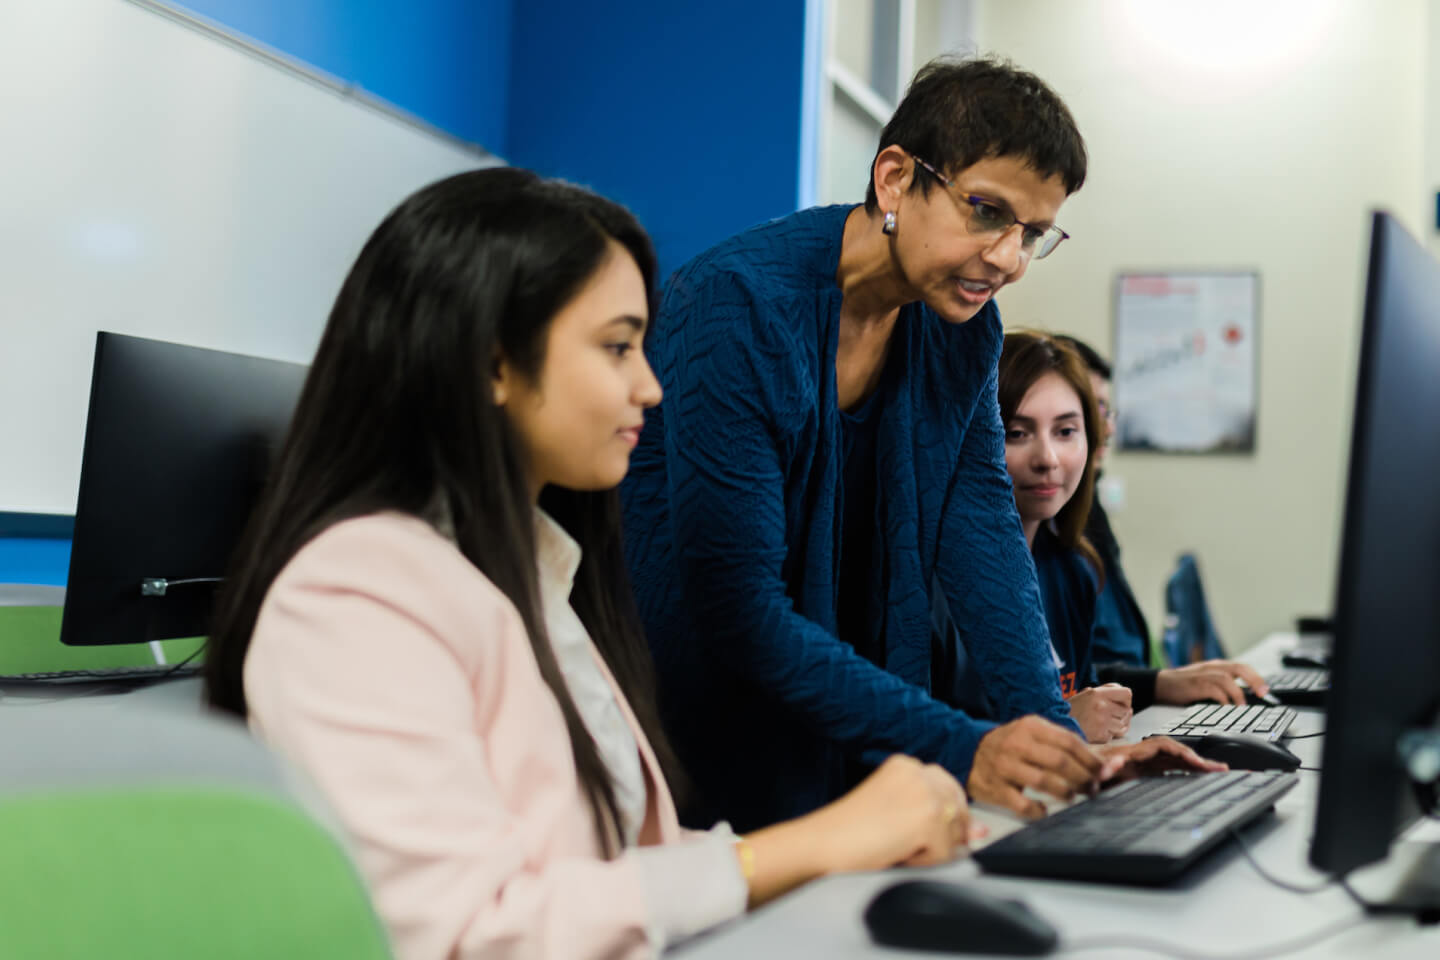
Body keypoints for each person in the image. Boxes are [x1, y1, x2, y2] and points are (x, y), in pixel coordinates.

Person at [203, 168, 982, 960]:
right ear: (492, 364)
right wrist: (816, 843)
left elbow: (608, 870)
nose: (651, 386)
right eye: (617, 347)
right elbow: (468, 933)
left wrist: (851, 849)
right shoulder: (358, 597)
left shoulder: (529, 577)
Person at [621, 56, 1209, 828]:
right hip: (710, 745)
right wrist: (968, 747)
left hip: (853, 733)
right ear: (895, 179)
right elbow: (737, 609)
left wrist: (1067, 751)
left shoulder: (960, 329)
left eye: (1032, 234)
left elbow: (985, 543)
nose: (1008, 260)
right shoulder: (741, 306)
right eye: (987, 212)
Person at [998, 331, 1269, 743]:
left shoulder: (1072, 566)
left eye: (1067, 431)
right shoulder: (956, 584)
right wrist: (1062, 724)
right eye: (1017, 433)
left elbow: (1082, 690)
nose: (1047, 459)